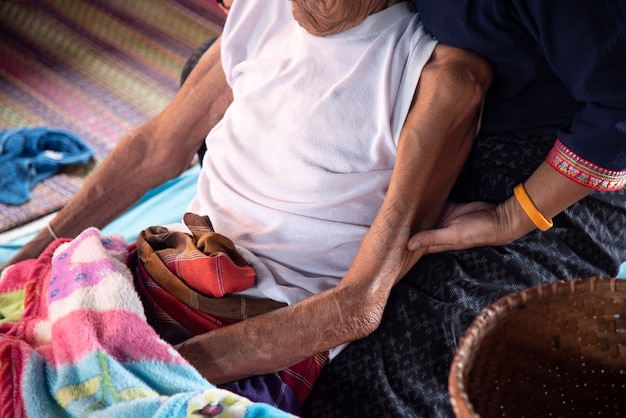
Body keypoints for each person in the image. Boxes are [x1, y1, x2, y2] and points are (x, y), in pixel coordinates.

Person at [4, 0, 491, 415]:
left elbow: (359, 304)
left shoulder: (441, 79)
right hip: (142, 281)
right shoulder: (264, 11)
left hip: (255, 342)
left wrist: (155, 365)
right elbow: (156, 146)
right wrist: (24, 258)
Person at [302, 1, 626, 417]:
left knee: (381, 384)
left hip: (550, 161)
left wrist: (513, 216)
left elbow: (618, 107)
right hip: (417, 97)